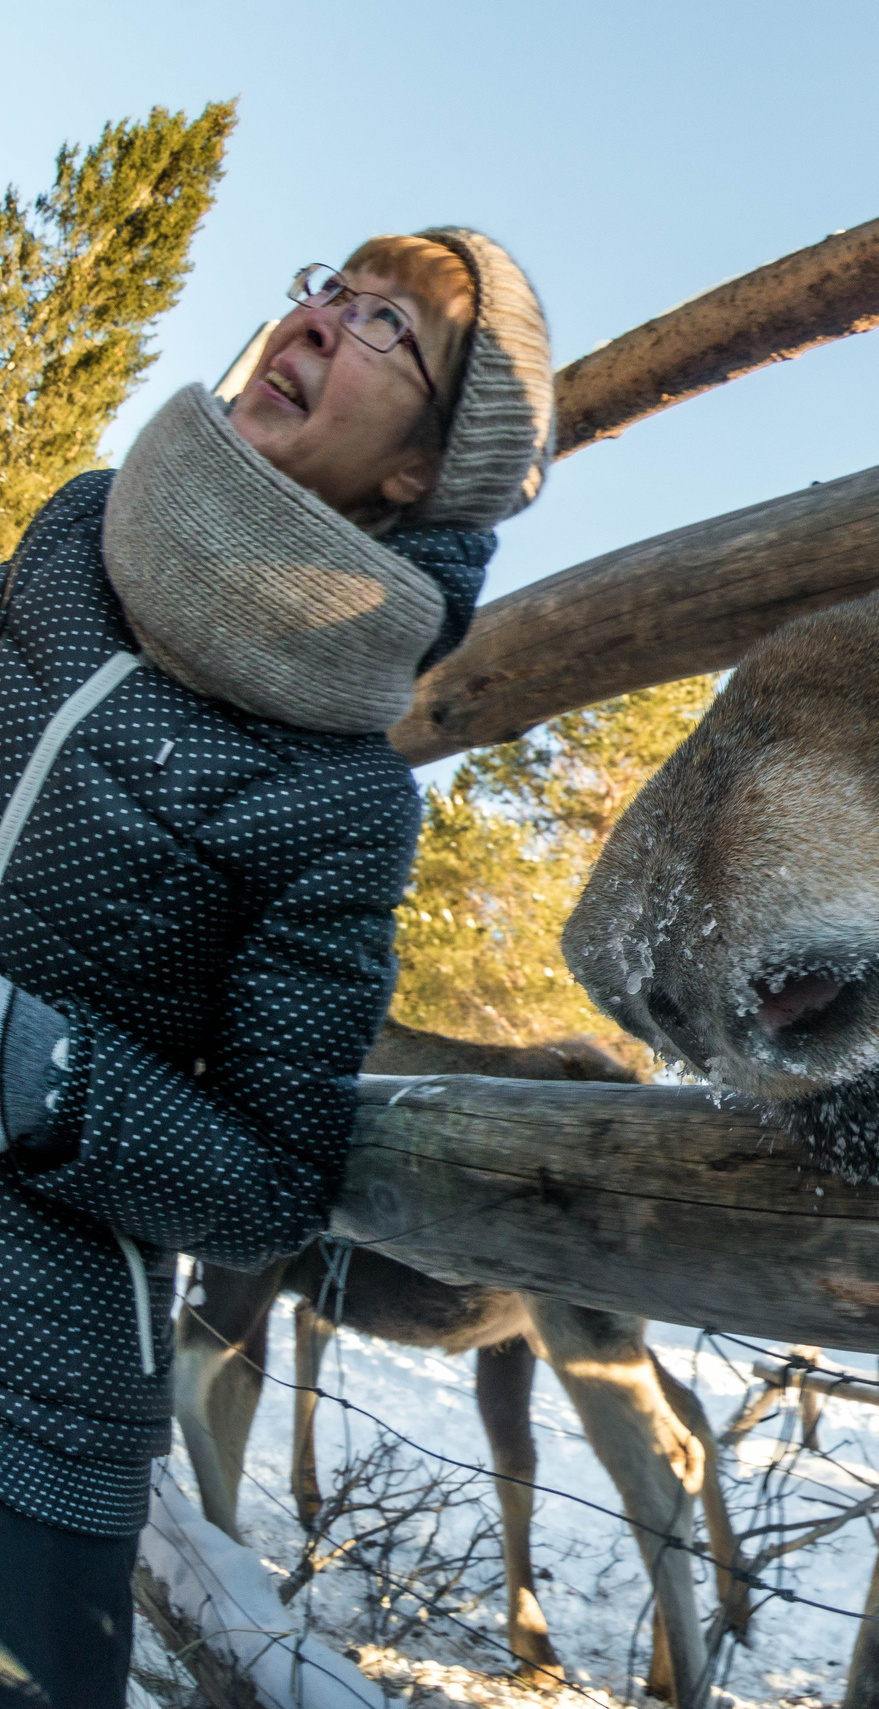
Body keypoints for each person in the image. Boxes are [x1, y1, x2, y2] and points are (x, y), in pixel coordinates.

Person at [0, 229, 551, 1709]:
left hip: (28, 1395)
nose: (316, 316)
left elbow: (262, 1182)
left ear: (418, 477)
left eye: (384, 323)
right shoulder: (71, 537)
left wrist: (33, 1067)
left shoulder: (341, 802)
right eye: (328, 285)